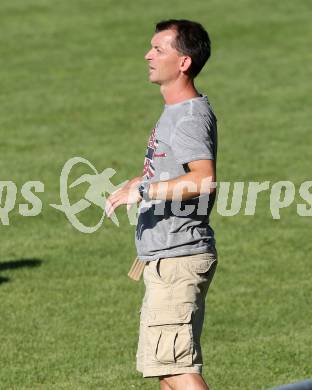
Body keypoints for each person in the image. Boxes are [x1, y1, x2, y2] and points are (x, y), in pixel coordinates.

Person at [105, 19, 218, 390]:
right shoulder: (175, 112)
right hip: (166, 258)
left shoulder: (188, 116)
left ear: (183, 62)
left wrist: (146, 192)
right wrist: (139, 182)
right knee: (165, 372)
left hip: (178, 257)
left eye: (159, 49)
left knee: (176, 369)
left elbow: (203, 178)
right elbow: (172, 171)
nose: (148, 55)